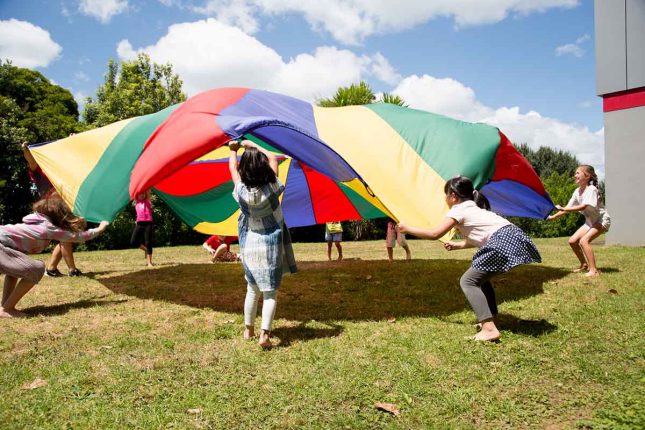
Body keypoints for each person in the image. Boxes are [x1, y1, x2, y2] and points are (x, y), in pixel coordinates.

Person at [398, 176, 541, 342]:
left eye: (446, 195)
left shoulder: (458, 209)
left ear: (453, 196)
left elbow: (435, 234)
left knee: (468, 281)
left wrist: (406, 228)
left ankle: (489, 328)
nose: (445, 199)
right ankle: (492, 317)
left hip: (502, 240)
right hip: (513, 235)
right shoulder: (474, 207)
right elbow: (481, 237)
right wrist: (458, 245)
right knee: (480, 279)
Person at [228, 139, 297, 348]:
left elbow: (232, 167)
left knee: (252, 289)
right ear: (263, 168)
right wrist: (254, 145)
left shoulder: (240, 190)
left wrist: (234, 150)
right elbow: (273, 158)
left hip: (250, 244)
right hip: (270, 245)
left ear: (244, 170)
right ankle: (264, 335)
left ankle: (248, 329)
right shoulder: (272, 187)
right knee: (270, 292)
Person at [0, 195, 108, 317]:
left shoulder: (38, 222)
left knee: (15, 271)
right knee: (36, 268)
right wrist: (99, 229)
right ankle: (7, 309)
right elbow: (76, 237)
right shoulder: (47, 227)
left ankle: (5, 306)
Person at [22, 142, 83, 277]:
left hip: (61, 205)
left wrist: (72, 143)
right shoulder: (38, 170)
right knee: (65, 236)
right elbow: (31, 160)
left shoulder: (57, 169)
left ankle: (51, 269)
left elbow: (70, 159)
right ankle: (72, 270)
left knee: (66, 235)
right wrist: (26, 150)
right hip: (49, 208)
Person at [547, 165, 610, 277]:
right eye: (575, 173)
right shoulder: (577, 191)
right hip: (590, 222)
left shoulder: (591, 189)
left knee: (584, 241)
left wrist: (564, 208)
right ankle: (584, 264)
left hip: (601, 220)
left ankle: (593, 270)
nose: (575, 175)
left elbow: (583, 207)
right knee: (572, 241)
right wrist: (553, 217)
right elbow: (567, 208)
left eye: (578, 173)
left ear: (587, 176)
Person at [131, 190, 154, 267]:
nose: (142, 195)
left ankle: (149, 262)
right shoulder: (136, 202)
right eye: (140, 194)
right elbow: (133, 191)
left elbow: (148, 191)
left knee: (148, 242)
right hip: (139, 224)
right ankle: (145, 249)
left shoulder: (147, 201)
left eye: (143, 193)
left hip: (148, 223)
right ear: (137, 195)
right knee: (133, 242)